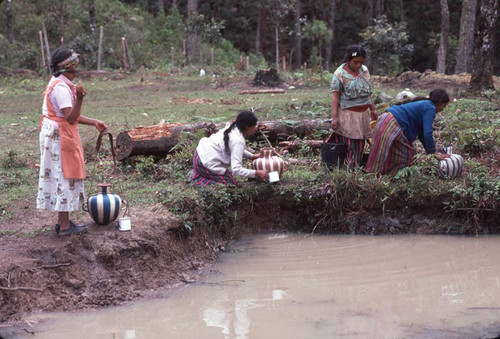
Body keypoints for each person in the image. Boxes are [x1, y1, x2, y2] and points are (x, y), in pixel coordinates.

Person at [37, 47, 107, 236]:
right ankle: (65, 227)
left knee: (61, 175)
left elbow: (67, 115)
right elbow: (70, 117)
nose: (77, 70)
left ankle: (63, 222)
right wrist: (81, 98)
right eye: (74, 67)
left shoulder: (58, 82)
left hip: (54, 133)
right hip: (59, 136)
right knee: (64, 176)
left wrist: (93, 122)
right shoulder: (61, 88)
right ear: (67, 68)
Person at [364, 88, 451, 176]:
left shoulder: (425, 105)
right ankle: (379, 175)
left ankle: (380, 173)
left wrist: (431, 152)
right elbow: (427, 133)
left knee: (387, 151)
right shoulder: (430, 108)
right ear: (439, 103)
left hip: (385, 119)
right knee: (405, 155)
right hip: (391, 123)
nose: (443, 109)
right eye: (443, 106)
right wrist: (433, 153)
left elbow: (422, 134)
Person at [187, 110, 269, 187]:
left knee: (229, 181)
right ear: (247, 126)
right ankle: (195, 179)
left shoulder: (232, 127)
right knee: (231, 185)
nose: (255, 128)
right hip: (205, 164)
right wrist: (257, 173)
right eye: (254, 126)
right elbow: (236, 170)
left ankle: (198, 173)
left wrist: (252, 156)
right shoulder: (238, 140)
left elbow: (234, 149)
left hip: (198, 155)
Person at [330, 45, 378, 167]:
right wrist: (334, 117)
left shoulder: (364, 71)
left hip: (363, 115)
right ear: (348, 60)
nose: (358, 65)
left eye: (361, 62)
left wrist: (372, 109)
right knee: (350, 143)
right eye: (355, 62)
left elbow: (368, 92)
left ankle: (356, 167)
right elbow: (335, 97)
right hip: (348, 115)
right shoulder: (339, 74)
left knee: (360, 143)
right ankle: (349, 168)